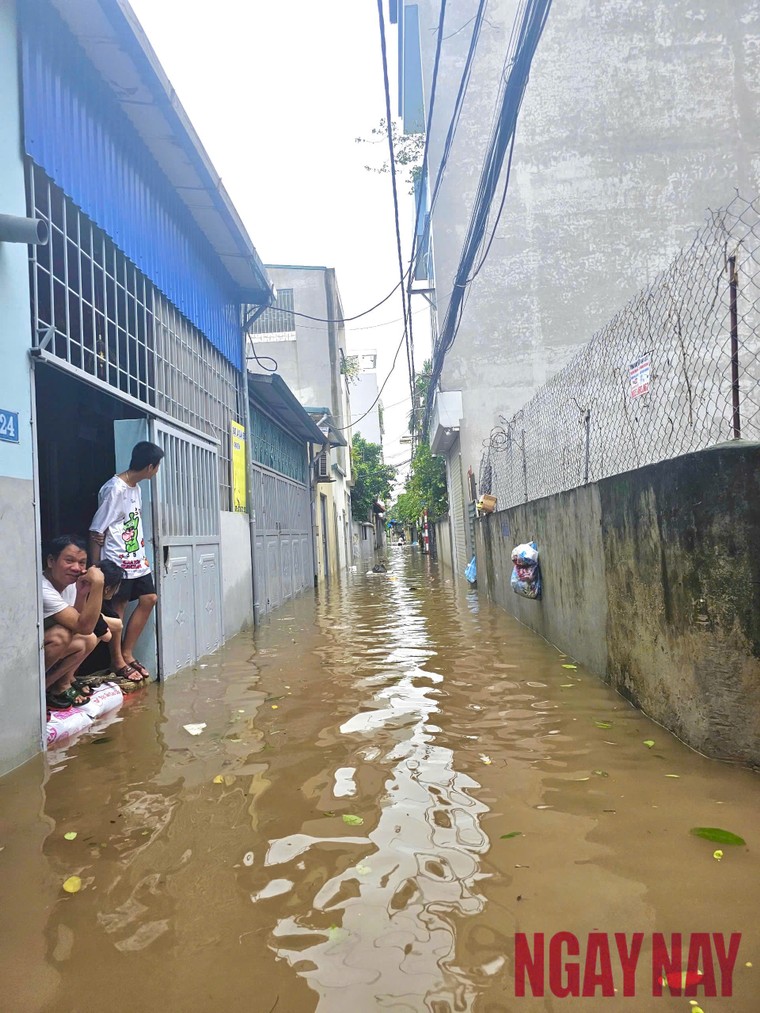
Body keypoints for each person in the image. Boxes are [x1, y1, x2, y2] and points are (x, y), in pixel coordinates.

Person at [89, 441, 164, 681]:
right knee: (118, 607)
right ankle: (117, 660)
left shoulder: (136, 488)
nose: (157, 471)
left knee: (149, 598)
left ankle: (127, 652)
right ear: (150, 466)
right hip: (116, 560)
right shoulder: (115, 489)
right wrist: (96, 567)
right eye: (157, 466)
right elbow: (96, 530)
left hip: (137, 559)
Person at [42, 535, 108, 707]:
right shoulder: (43, 589)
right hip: (22, 655)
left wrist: (81, 593)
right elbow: (83, 626)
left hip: (43, 649)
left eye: (82, 563)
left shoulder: (71, 583)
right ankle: (31, 692)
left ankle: (46, 688)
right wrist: (98, 584)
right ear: (51, 561)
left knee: (89, 639)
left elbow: (82, 627)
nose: (76, 568)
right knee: (61, 636)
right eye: (69, 560)